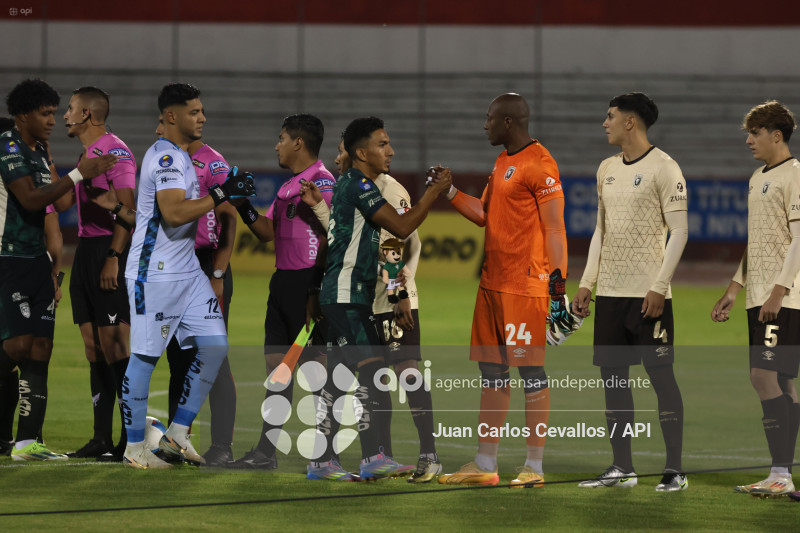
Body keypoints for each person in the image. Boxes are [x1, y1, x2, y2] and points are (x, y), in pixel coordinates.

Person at [305, 116, 451, 481]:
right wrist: (433, 192)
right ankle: (361, 458)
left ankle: (335, 460)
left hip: (352, 294)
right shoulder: (359, 184)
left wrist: (399, 289)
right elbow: (400, 230)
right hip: (348, 296)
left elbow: (373, 239)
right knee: (372, 373)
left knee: (340, 377)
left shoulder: (357, 185)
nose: (391, 151)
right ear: (361, 152)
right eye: (383, 144)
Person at [120, 83, 255, 469]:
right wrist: (221, 193)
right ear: (171, 117)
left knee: (214, 347)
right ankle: (134, 448)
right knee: (144, 360)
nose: (203, 117)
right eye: (195, 111)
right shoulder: (164, 157)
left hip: (189, 272)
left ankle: (178, 434)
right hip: (155, 275)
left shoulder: (179, 155)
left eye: (201, 110)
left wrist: (226, 196)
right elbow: (174, 213)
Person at [437, 93, 568, 488]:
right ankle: (485, 463)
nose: (485, 124)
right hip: (492, 285)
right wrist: (449, 192)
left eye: (490, 118)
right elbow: (484, 215)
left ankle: (534, 466)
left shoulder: (540, 163)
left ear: (508, 122)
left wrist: (558, 285)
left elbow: (554, 228)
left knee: (531, 371)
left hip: (524, 287)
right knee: (492, 371)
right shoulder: (503, 162)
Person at [572, 92, 689, 492]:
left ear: (630, 122)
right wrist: (588, 282)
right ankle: (623, 468)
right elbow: (600, 232)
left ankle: (674, 470)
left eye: (610, 116)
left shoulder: (665, 168)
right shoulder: (606, 168)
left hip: (648, 296)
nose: (604, 123)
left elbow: (680, 232)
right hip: (610, 297)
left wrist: (659, 286)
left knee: (661, 378)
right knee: (614, 382)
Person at [0, 78, 117, 461]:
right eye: (45, 113)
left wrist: (53, 265)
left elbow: (59, 201)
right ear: (22, 116)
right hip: (8, 258)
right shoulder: (8, 146)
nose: (53, 120)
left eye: (55, 112)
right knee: (17, 346)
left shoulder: (38, 150)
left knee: (42, 349)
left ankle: (26, 443)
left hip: (37, 262)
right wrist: (81, 172)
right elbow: (32, 199)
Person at [228, 113, 334, 470]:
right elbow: (267, 232)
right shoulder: (290, 186)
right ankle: (265, 452)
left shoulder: (322, 181)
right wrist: (242, 204)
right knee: (277, 370)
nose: (277, 145)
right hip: (283, 283)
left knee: (318, 372)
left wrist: (316, 291)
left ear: (298, 143)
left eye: (281, 138)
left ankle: (327, 453)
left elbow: (334, 235)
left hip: (308, 283)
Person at [712, 100, 800, 497]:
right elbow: (758, 241)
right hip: (761, 296)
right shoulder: (756, 177)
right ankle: (781, 473)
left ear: (776, 135)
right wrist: (735, 286)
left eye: (755, 134)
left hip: (786, 297)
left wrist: (779, 292)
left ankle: (781, 473)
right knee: (781, 378)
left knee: (762, 376)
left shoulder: (795, 175)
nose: (748, 141)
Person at [56, 86, 136, 461]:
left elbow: (128, 210)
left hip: (108, 249)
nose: (65, 115)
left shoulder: (116, 152)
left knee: (117, 347)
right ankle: (101, 438)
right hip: (86, 253)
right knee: (94, 349)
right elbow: (63, 202)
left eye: (70, 109)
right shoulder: (87, 154)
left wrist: (114, 257)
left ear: (88, 113)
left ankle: (130, 439)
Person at [160, 116, 239, 467]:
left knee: (212, 357)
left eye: (160, 124)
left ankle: (222, 445)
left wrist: (218, 273)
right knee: (178, 358)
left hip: (207, 266)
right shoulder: (165, 162)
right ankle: (178, 441)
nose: (157, 130)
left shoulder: (213, 162)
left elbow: (229, 218)